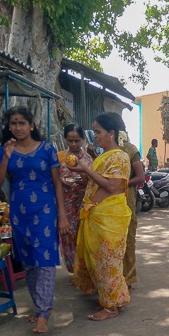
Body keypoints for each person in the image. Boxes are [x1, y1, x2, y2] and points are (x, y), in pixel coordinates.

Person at [0, 106, 70, 334]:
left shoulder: (47, 149)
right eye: (13, 124)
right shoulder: (6, 151)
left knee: (44, 261)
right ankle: (39, 308)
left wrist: (62, 215)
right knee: (29, 263)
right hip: (19, 214)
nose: (17, 128)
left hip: (45, 212)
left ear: (31, 125)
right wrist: (6, 158)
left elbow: (57, 183)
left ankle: (44, 314)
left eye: (21, 123)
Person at [68, 113, 132, 321]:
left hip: (108, 217)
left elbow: (112, 186)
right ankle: (116, 298)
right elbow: (95, 182)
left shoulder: (119, 156)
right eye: (94, 132)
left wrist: (86, 167)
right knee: (100, 261)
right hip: (97, 214)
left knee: (107, 262)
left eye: (98, 132)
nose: (95, 136)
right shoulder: (104, 156)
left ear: (111, 133)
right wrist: (82, 171)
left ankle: (110, 307)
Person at [107, 112, 145, 290]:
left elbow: (140, 177)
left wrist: (121, 184)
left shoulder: (130, 150)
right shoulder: (105, 150)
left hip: (126, 201)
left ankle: (127, 278)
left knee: (127, 239)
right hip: (107, 203)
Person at [57, 123, 93, 274]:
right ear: (65, 139)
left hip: (82, 202)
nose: (73, 144)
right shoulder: (60, 157)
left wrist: (81, 170)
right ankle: (74, 270)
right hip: (65, 202)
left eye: (77, 140)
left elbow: (90, 182)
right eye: (70, 140)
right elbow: (55, 181)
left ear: (83, 140)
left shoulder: (87, 159)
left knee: (82, 236)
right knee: (67, 237)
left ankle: (82, 271)